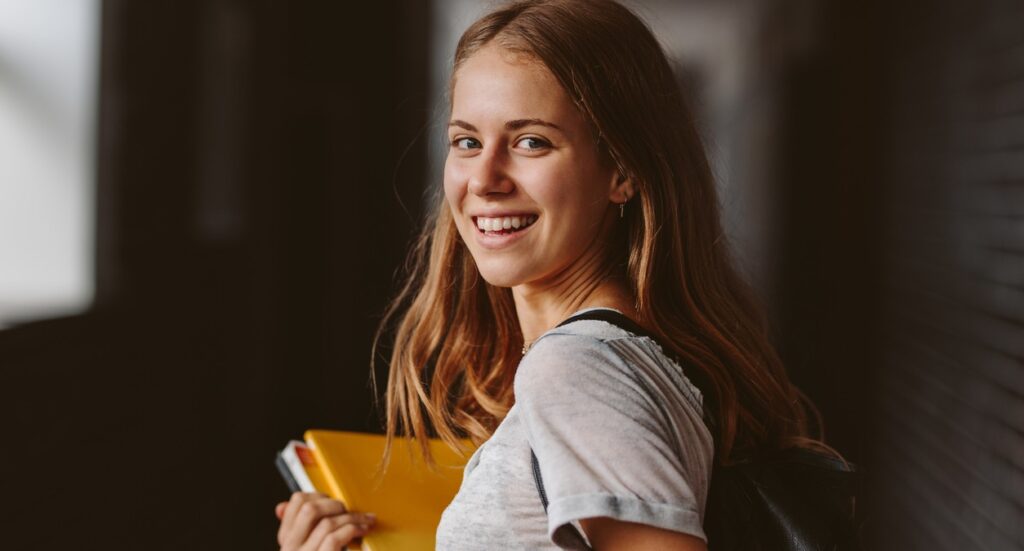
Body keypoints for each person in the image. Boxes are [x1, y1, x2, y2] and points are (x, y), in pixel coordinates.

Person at [275, 0, 837, 549]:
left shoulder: (577, 370)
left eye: (531, 142)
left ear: (622, 170)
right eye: (467, 141)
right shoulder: (634, 360)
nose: (485, 178)